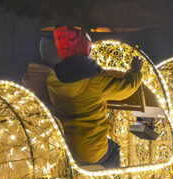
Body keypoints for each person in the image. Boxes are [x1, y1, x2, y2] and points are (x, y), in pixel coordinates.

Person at [46, 26, 143, 168]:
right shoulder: (95, 79)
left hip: (67, 149)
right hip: (93, 150)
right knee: (114, 149)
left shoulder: (52, 79)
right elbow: (125, 88)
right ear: (83, 48)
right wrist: (135, 71)